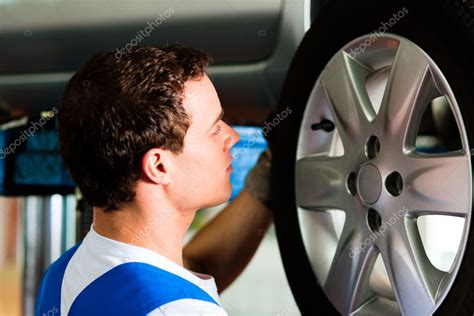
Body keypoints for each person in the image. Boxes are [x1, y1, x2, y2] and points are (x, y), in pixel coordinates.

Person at [35, 44, 273, 316]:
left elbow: (182, 271)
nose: (233, 136)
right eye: (214, 128)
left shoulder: (63, 274)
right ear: (158, 166)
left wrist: (268, 175)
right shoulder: (179, 310)